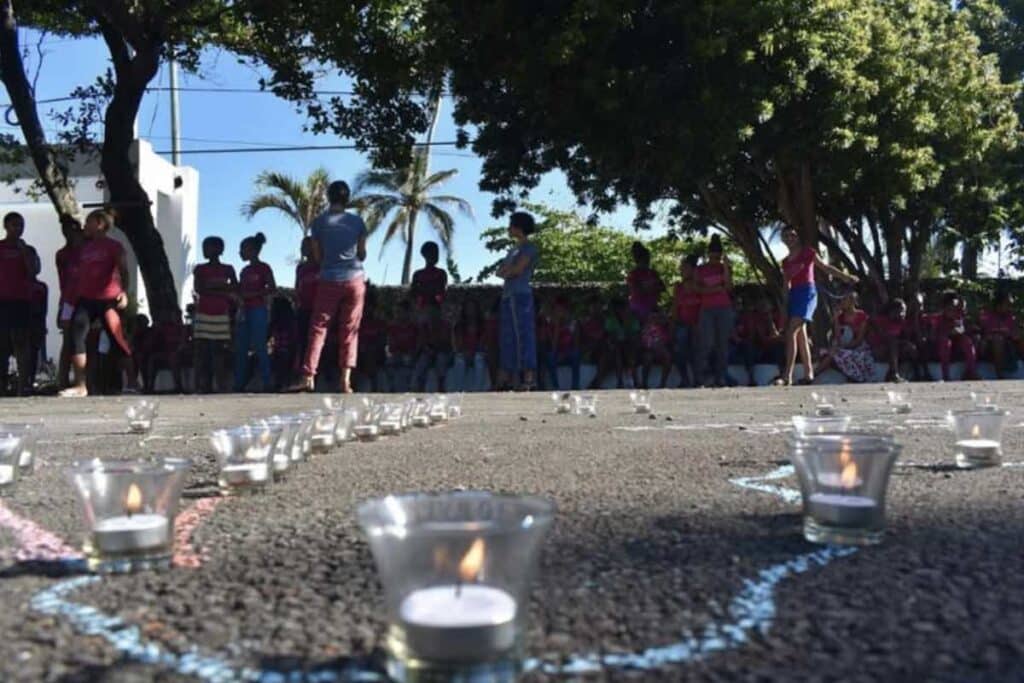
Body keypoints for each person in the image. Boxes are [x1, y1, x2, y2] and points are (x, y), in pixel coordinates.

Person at [287, 181, 368, 393]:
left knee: (318, 327)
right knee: (350, 329)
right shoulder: (357, 222)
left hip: (329, 278)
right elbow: (362, 253)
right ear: (347, 198)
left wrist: (329, 261)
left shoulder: (319, 223)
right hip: (354, 279)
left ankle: (308, 376)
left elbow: (317, 254)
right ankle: (345, 380)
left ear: (328, 197)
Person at [59, 209, 133, 398]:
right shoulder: (83, 249)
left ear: (100, 224)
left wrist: (124, 292)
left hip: (108, 300)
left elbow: (124, 270)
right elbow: (77, 277)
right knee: (76, 336)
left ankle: (132, 382)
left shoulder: (114, 246)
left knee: (117, 340)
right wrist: (68, 302)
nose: (85, 226)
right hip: (85, 299)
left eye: (89, 222)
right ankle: (81, 385)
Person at [774, 227, 858, 386]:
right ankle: (808, 373)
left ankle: (787, 376)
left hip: (808, 293)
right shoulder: (785, 262)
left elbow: (825, 268)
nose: (789, 238)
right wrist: (784, 304)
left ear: (797, 237)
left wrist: (846, 277)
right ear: (783, 240)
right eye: (786, 236)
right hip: (794, 295)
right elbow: (786, 284)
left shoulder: (808, 253)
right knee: (801, 334)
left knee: (792, 331)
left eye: (792, 235)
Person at [496, 211, 540, 391]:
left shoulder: (529, 248)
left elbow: (516, 270)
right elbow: (500, 271)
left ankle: (529, 377)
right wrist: (507, 270)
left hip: (520, 295)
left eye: (511, 225)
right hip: (508, 295)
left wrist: (508, 270)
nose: (508, 228)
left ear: (519, 227)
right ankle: (509, 378)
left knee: (524, 334)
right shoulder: (513, 250)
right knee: (508, 337)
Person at [192, 236, 237, 393]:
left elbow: (234, 287)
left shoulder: (228, 269)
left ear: (219, 250)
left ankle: (221, 386)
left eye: (208, 247)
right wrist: (221, 288)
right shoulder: (200, 269)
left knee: (220, 352)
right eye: (204, 247)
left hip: (221, 314)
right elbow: (199, 288)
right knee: (201, 351)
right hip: (203, 313)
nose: (205, 250)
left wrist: (212, 288)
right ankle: (201, 386)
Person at [0, 212, 39, 395]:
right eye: (14, 225)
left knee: (21, 342)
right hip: (2, 300)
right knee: (2, 344)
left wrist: (23, 252)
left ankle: (23, 384)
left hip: (21, 300)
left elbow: (33, 271)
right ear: (6, 227)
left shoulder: (28, 250)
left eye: (21, 225)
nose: (18, 229)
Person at [233, 232, 276, 392]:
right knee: (241, 348)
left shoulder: (264, 268)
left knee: (260, 346)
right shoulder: (244, 271)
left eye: (243, 249)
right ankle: (239, 382)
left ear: (253, 251)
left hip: (258, 309)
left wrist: (255, 295)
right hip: (243, 310)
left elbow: (272, 287)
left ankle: (266, 381)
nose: (240, 253)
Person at [694, 234, 734, 387]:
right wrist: (713, 290)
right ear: (708, 253)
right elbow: (697, 288)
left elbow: (729, 287)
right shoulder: (701, 269)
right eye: (712, 253)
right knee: (707, 342)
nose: (715, 256)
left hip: (724, 308)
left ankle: (721, 376)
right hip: (707, 309)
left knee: (722, 343)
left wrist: (725, 268)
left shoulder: (724, 268)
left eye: (717, 253)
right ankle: (701, 377)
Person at [815, 292, 874, 383]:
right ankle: (815, 373)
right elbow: (838, 337)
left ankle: (814, 373)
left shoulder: (861, 316)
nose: (842, 302)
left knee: (835, 354)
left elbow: (859, 340)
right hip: (843, 346)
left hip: (858, 348)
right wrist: (836, 319)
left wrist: (844, 347)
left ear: (852, 301)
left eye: (844, 300)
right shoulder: (841, 317)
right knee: (827, 353)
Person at [55, 217, 83, 390]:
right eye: (67, 229)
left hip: (87, 298)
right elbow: (63, 281)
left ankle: (89, 380)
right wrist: (62, 304)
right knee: (67, 339)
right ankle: (62, 380)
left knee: (86, 339)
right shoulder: (62, 254)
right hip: (68, 300)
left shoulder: (87, 250)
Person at [869, 298, 918, 383]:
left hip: (894, 351)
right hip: (877, 350)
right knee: (893, 342)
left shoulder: (902, 323)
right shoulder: (880, 320)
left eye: (905, 311)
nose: (904, 314)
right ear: (893, 311)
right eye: (902, 311)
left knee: (910, 348)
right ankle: (894, 373)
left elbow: (906, 338)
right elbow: (885, 337)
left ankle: (914, 374)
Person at [671, 254, 702, 388]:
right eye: (681, 268)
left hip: (698, 324)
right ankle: (685, 379)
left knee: (697, 351)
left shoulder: (700, 286)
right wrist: (674, 323)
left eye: (685, 267)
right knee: (679, 351)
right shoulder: (678, 287)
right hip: (682, 324)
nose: (682, 270)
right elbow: (675, 306)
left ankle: (697, 380)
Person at [934, 290, 978, 382]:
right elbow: (937, 334)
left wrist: (958, 331)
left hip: (957, 342)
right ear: (945, 307)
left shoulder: (958, 316)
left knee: (968, 342)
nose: (954, 310)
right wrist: (948, 333)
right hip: (944, 344)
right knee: (945, 343)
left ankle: (971, 372)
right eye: (951, 308)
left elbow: (961, 329)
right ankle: (946, 376)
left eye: (955, 307)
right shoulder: (939, 318)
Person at [413, 300, 453, 392]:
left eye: (434, 311)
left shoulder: (446, 325)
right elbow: (422, 342)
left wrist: (435, 350)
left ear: (439, 312)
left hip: (443, 352)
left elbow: (446, 344)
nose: (432, 314)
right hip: (428, 352)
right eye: (429, 312)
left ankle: (441, 385)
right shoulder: (424, 326)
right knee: (422, 361)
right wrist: (427, 350)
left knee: (440, 359)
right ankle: (419, 387)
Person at [543, 295, 582, 391]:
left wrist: (565, 353)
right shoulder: (550, 324)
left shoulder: (573, 323)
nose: (559, 312)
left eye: (561, 309)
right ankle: (555, 386)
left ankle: (575, 386)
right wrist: (557, 327)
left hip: (569, 353)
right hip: (557, 353)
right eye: (557, 309)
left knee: (576, 354)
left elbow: (576, 344)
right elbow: (553, 345)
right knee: (550, 356)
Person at [601, 297, 641, 389]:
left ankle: (635, 380)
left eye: (624, 308)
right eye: (619, 308)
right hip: (615, 348)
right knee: (618, 352)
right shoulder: (611, 320)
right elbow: (608, 337)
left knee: (628, 352)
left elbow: (636, 337)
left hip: (630, 347)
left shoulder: (632, 320)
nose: (622, 311)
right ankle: (620, 381)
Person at [294, 236, 320, 377]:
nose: (303, 249)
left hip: (318, 310)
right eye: (302, 246)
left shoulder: (321, 266)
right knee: (302, 341)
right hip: (303, 309)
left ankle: (317, 371)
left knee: (316, 340)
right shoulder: (301, 268)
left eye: (306, 246)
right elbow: (297, 287)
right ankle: (302, 372)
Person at [979, 291, 1019, 379]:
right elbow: (986, 335)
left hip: (1008, 346)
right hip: (991, 348)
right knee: (998, 340)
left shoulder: (1011, 317)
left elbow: (1014, 334)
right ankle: (1000, 375)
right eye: (1007, 304)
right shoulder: (987, 316)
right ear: (999, 304)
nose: (1009, 306)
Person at [354, 288, 387, 392]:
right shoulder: (356, 324)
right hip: (359, 366)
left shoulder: (380, 324)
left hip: (377, 365)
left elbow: (382, 346)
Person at [452, 298, 487, 392]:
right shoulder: (459, 326)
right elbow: (457, 344)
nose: (470, 310)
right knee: (459, 360)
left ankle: (477, 390)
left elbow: (483, 342)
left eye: (472, 308)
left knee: (478, 359)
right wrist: (464, 352)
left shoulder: (482, 325)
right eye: (468, 308)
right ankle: (459, 389)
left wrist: (475, 352)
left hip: (478, 353)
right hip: (464, 353)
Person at [626, 242, 665, 322]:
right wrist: (650, 288)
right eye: (645, 259)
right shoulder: (634, 274)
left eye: (648, 258)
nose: (647, 261)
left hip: (652, 307)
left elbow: (663, 287)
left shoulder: (653, 273)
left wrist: (654, 288)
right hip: (638, 308)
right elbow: (634, 289)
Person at [386, 299, 418, 392]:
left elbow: (417, 347)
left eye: (400, 312)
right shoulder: (392, 328)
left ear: (407, 312)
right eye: (396, 312)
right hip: (395, 360)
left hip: (410, 361)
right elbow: (390, 347)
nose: (398, 314)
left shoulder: (414, 328)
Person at [411, 241, 448, 319]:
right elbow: (413, 294)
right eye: (432, 252)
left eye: (436, 252)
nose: (435, 255)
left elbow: (442, 294)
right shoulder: (418, 274)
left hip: (436, 312)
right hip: (422, 312)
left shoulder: (441, 273)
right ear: (425, 255)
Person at [269, 296, 298, 391]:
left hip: (278, 349)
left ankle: (279, 384)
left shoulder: (274, 322)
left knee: (279, 368)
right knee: (287, 368)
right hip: (290, 349)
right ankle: (287, 384)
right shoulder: (292, 322)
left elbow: (268, 335)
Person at [640, 309, 673, 389]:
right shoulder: (646, 327)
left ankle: (662, 384)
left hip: (662, 350)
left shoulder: (664, 328)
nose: (654, 319)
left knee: (668, 357)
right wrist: (652, 346)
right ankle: (644, 383)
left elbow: (668, 339)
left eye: (656, 317)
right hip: (650, 350)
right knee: (647, 358)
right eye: (652, 317)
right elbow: (644, 341)